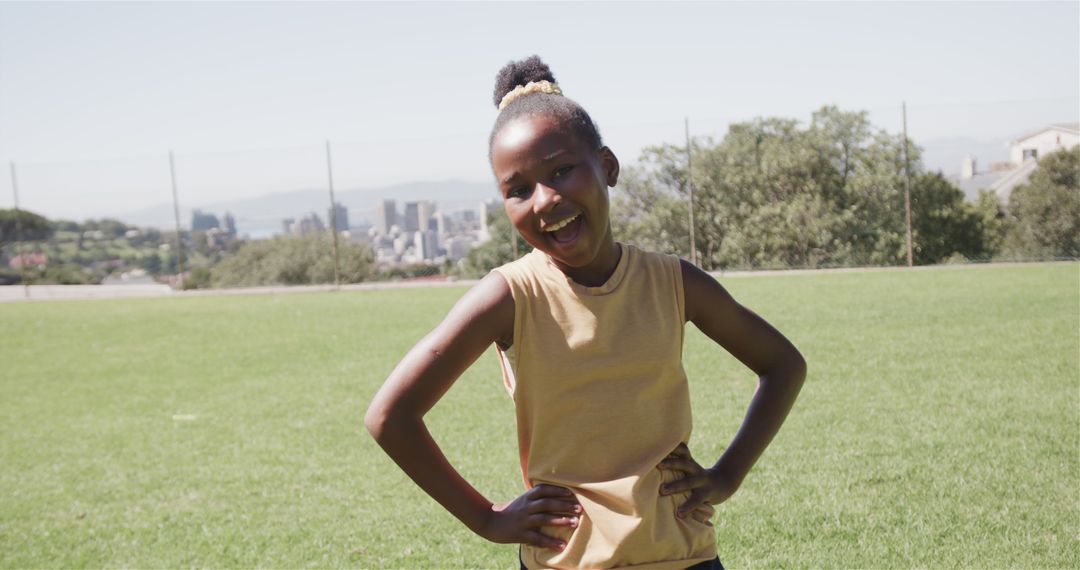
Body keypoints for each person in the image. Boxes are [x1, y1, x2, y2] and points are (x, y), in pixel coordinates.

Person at [365, 56, 806, 569]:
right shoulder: (509, 296)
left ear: (608, 167)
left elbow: (783, 366)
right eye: (518, 189)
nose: (545, 200)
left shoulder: (673, 282)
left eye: (562, 170)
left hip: (683, 556)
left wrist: (727, 475)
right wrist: (487, 518)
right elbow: (390, 417)